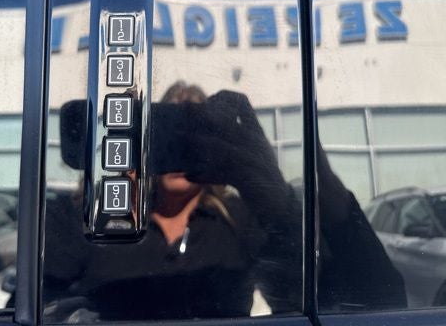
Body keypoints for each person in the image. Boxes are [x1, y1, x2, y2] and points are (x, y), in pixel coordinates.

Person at [46, 82, 407, 321]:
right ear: (142, 136)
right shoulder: (93, 217)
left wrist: (271, 191)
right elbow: (42, 304)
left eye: (198, 134)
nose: (183, 147)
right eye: (169, 132)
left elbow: (351, 305)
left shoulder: (242, 218)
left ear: (222, 146)